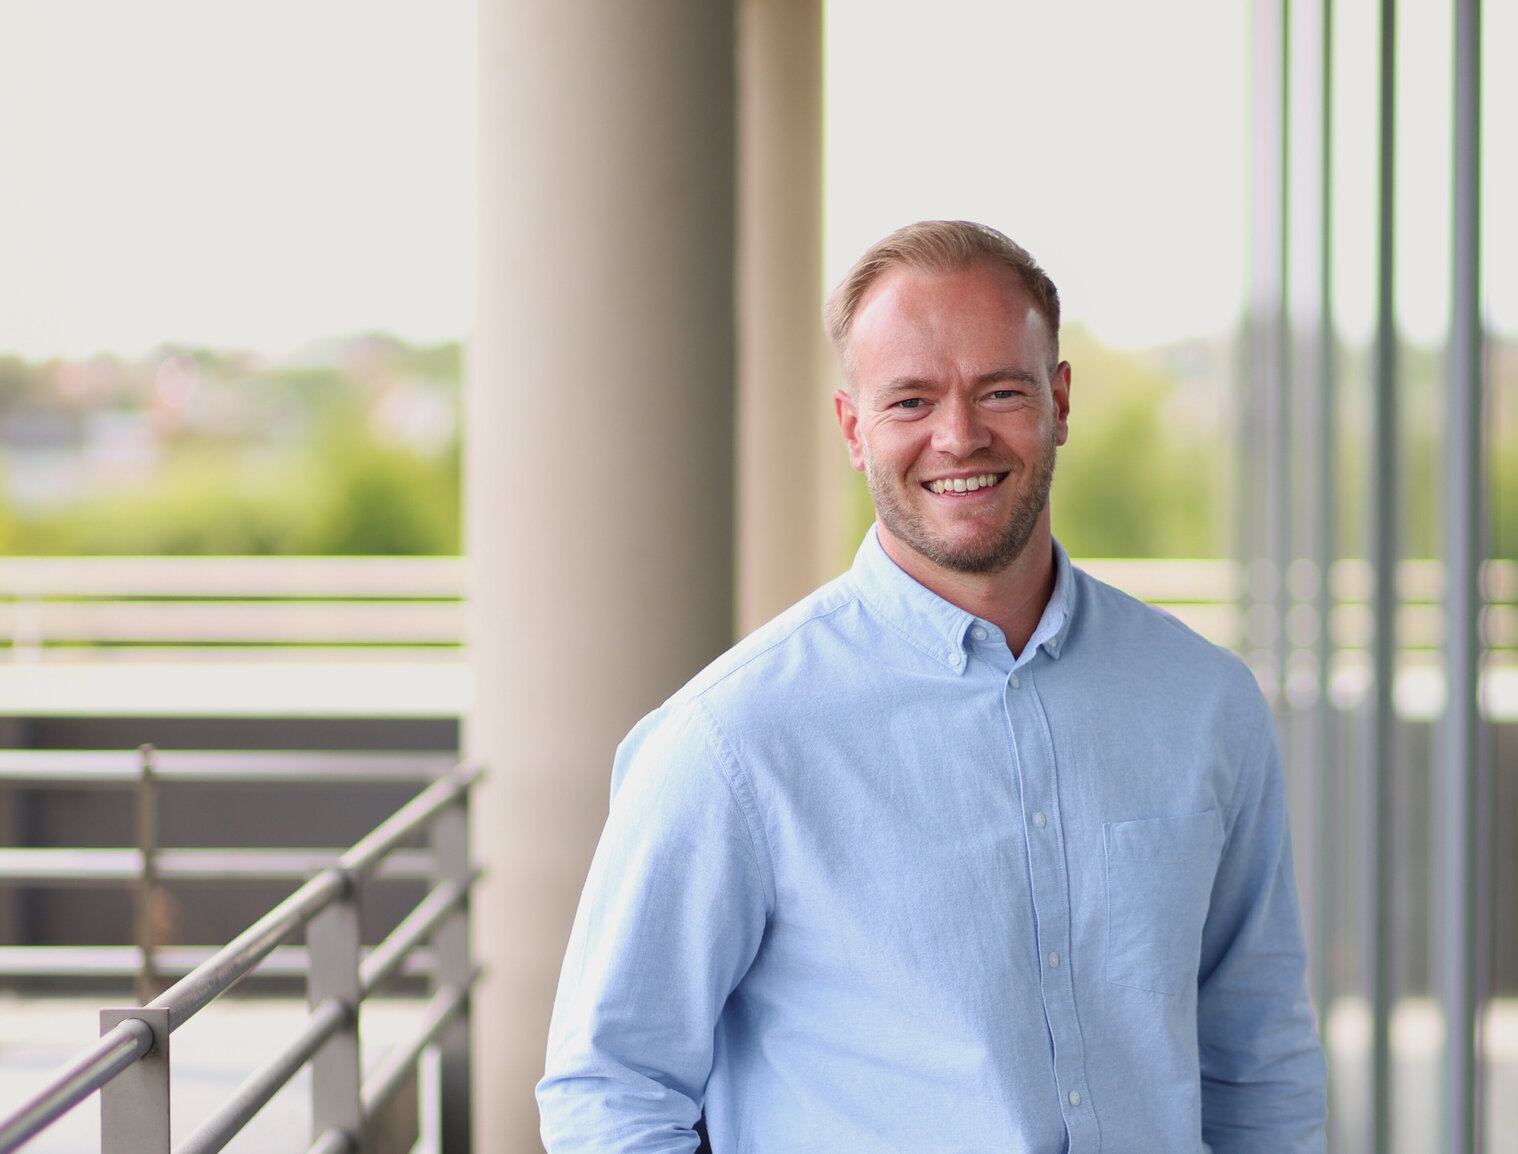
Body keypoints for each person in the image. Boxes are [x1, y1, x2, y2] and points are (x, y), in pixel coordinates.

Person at [538, 221, 1326, 1152]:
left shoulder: (1206, 705)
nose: (959, 437)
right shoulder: (731, 741)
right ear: (853, 429)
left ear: (1060, 402)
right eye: (910, 400)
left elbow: (1258, 1054)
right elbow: (611, 1087)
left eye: (1000, 390)